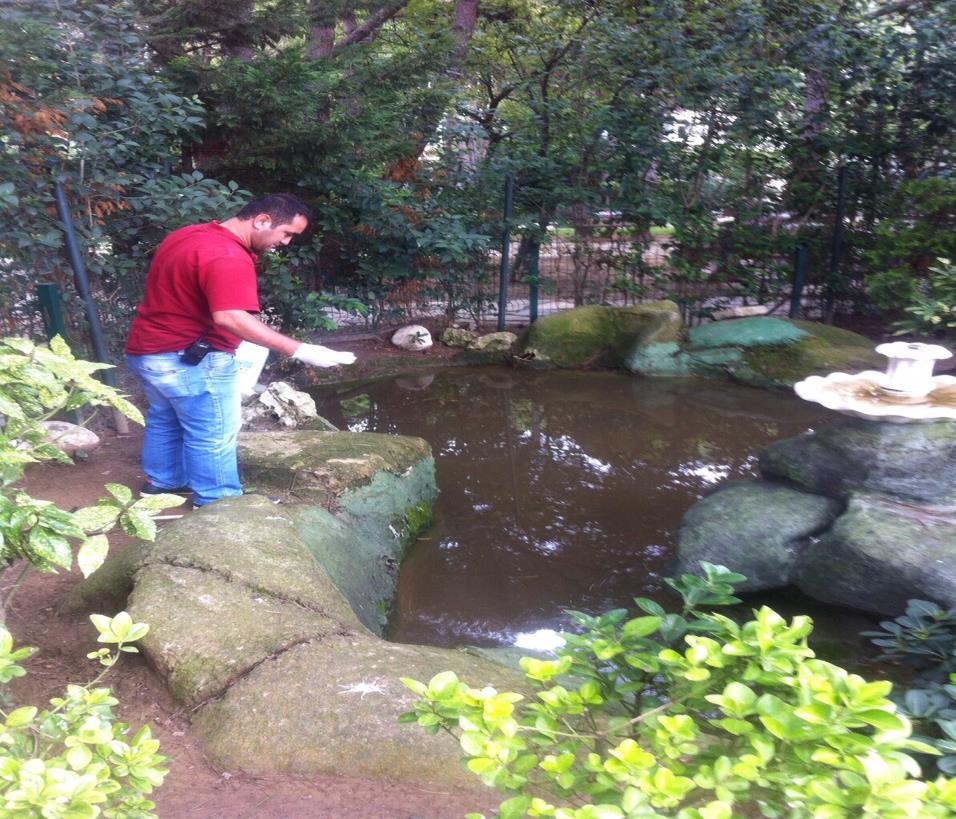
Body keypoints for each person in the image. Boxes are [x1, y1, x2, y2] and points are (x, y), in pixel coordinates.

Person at [125, 193, 355, 507]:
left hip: (148, 351)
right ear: (261, 220)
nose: (286, 242)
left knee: (166, 418)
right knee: (214, 431)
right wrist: (299, 349)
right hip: (189, 360)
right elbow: (230, 316)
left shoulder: (188, 235)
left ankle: (162, 484)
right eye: (286, 233)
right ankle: (220, 503)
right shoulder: (227, 255)